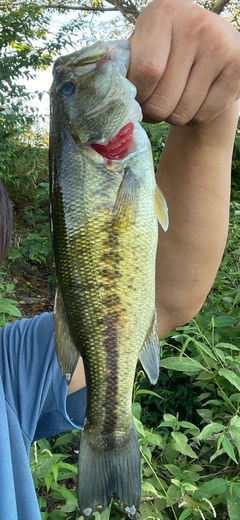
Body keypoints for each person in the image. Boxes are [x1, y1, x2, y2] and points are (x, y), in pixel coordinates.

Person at [0, 0, 239, 518]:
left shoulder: (8, 370)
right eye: (69, 90)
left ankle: (110, 436)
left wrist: (211, 112)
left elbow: (169, 297)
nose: (72, 80)